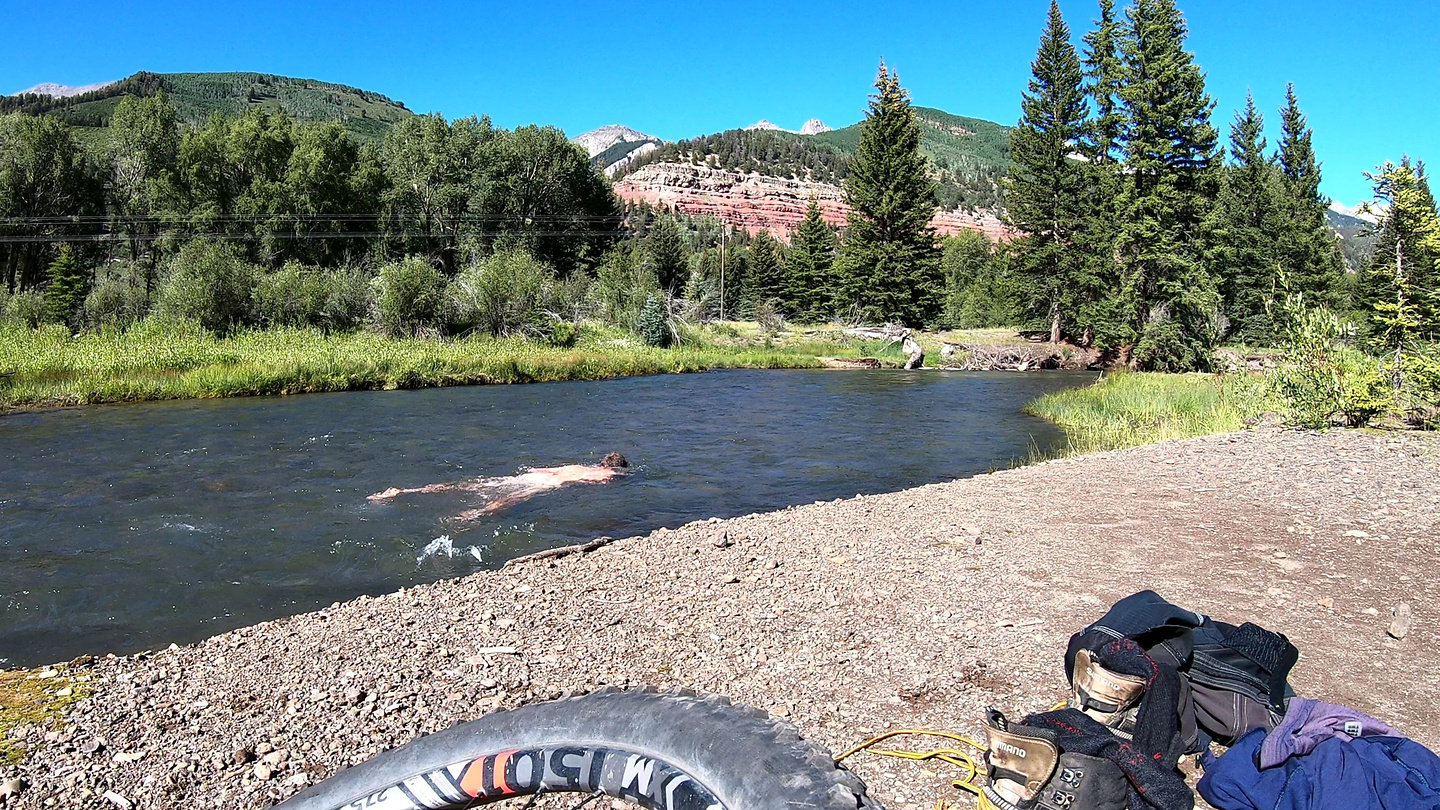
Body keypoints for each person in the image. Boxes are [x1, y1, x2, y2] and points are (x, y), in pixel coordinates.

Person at [368, 453, 630, 520]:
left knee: (468, 485)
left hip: (534, 476)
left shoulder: (575, 464)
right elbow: (597, 482)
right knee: (512, 500)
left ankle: (407, 491)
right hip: (549, 485)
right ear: (615, 467)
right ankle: (476, 514)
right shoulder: (605, 475)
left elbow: (540, 469)